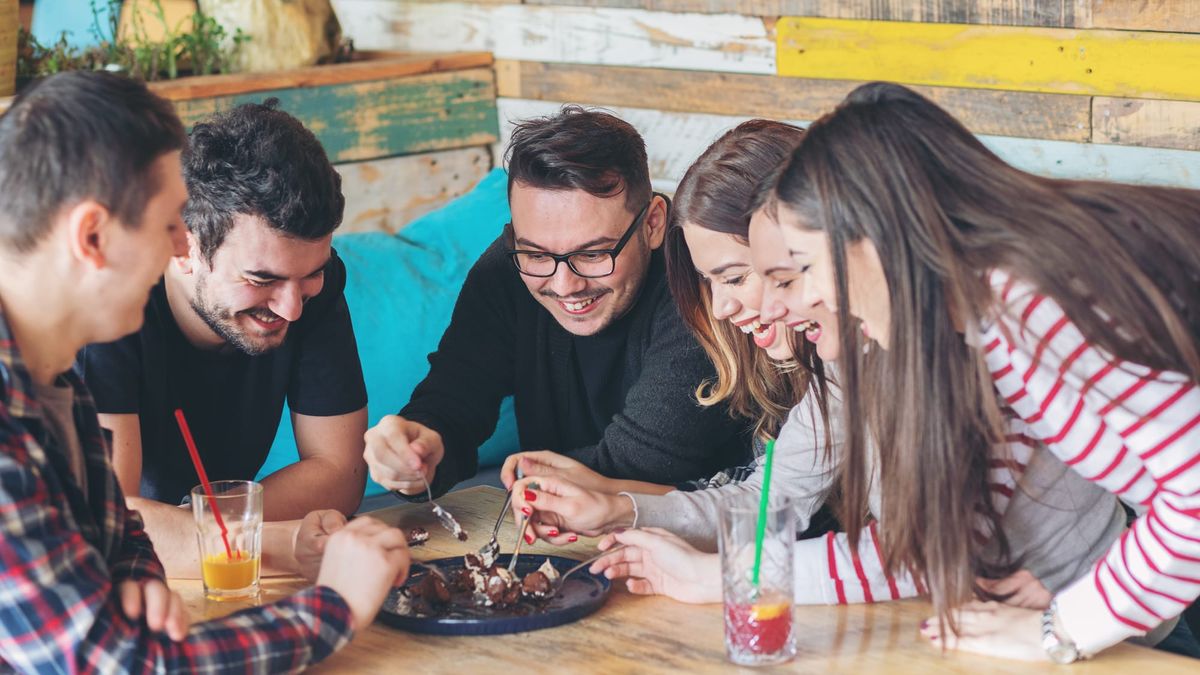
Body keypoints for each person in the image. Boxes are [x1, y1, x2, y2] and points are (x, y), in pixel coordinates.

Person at [504, 121, 1126, 619]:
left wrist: (715, 578)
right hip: (987, 618)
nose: (726, 308)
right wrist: (622, 511)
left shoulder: (960, 346)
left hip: (1094, 628)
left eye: (749, 276)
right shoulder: (842, 359)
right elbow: (773, 500)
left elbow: (924, 552)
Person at [764, 81, 1200, 660]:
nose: (820, 296)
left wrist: (1063, 628)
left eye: (807, 267)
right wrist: (1100, 593)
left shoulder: (1037, 297)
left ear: (873, 238)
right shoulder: (993, 316)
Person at [0, 71, 407, 672]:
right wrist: (336, 604)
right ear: (92, 235)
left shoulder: (48, 382)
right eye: (169, 224)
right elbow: (123, 662)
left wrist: (135, 572)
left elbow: (113, 528)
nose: (178, 249)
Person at [364, 106, 753, 501]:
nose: (565, 285)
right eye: (536, 254)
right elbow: (454, 397)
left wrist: (527, 475)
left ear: (652, 224)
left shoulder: (698, 281)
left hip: (710, 534)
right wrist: (419, 452)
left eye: (595, 254)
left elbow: (646, 464)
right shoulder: (506, 269)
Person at [77, 100, 369, 579]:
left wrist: (198, 534)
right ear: (183, 245)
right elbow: (108, 525)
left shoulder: (306, 287)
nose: (292, 308)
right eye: (261, 279)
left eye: (312, 274)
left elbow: (342, 473)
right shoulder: (107, 305)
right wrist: (270, 540)